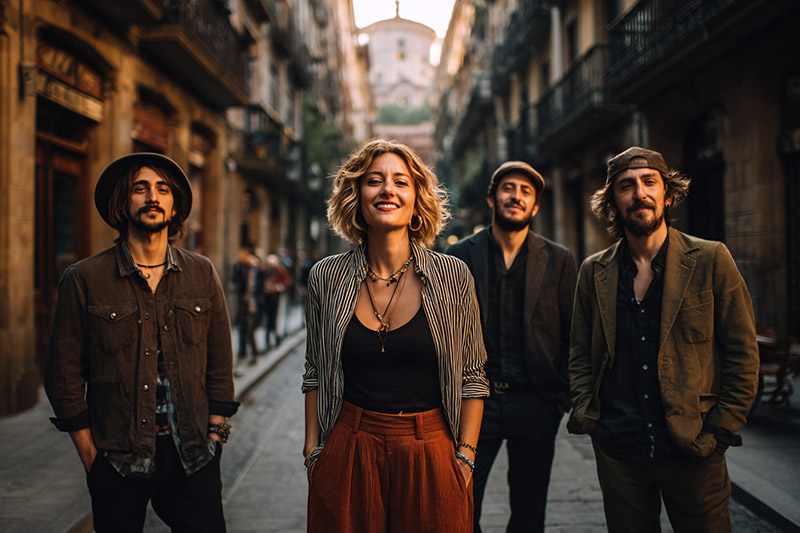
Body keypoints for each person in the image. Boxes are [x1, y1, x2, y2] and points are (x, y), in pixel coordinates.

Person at [44, 153, 239, 532]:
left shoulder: (201, 273)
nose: (153, 197)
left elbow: (219, 362)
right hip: (117, 459)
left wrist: (216, 433)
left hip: (193, 457)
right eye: (141, 188)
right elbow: (63, 373)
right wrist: (90, 456)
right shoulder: (84, 279)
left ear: (174, 204)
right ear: (123, 201)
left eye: (163, 189)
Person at [568, 147, 759, 532]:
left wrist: (720, 430)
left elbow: (742, 352)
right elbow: (580, 352)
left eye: (649, 182)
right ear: (613, 203)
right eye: (626, 186)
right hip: (620, 450)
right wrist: (590, 413)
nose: (639, 193)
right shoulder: (594, 272)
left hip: (692, 449)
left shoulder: (711, 259)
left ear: (667, 195)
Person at [302, 139, 489, 532]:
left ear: (416, 199)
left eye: (401, 182)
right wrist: (313, 452)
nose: (387, 189)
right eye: (374, 180)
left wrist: (466, 456)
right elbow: (315, 370)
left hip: (433, 449)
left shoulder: (453, 276)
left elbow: (473, 374)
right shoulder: (325, 277)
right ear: (356, 195)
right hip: (348, 447)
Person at [447, 161, 577, 532]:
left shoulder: (559, 260)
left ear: (535, 206)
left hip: (535, 403)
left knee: (528, 513)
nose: (515, 196)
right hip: (474, 403)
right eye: (508, 188)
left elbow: (574, 332)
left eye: (525, 191)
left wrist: (559, 398)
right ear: (492, 198)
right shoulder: (459, 258)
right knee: (460, 507)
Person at [233, 245, 263, 364]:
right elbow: (236, 280)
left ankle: (255, 353)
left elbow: (260, 287)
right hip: (243, 303)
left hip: (253, 305)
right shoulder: (240, 268)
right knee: (242, 328)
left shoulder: (257, 270)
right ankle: (242, 352)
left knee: (250, 329)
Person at [261, 253, 292, 349]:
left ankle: (274, 338)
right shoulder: (264, 271)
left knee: (273, 318)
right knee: (267, 319)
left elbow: (287, 280)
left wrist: (280, 286)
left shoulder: (280, 271)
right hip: (266, 296)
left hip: (275, 296)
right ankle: (268, 340)